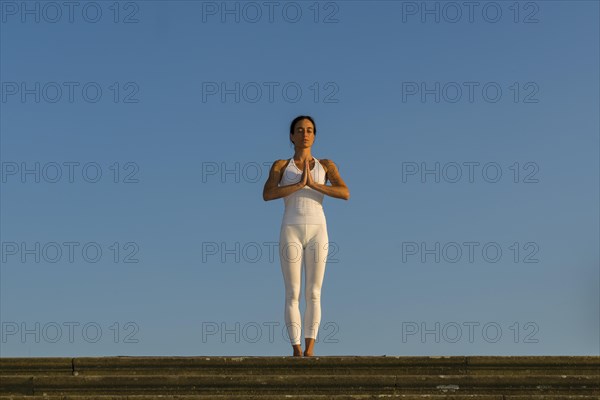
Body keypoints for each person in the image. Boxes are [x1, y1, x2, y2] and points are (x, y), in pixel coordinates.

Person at [263, 115, 350, 357]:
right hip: (291, 227)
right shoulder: (281, 165)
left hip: (318, 229)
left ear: (314, 135)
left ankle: (310, 349)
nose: (305, 134)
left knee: (314, 292)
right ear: (292, 136)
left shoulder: (326, 165)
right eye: (300, 130)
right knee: (293, 292)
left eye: (309, 130)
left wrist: (313, 184)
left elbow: (344, 192)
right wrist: (299, 185)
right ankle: (296, 349)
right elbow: (268, 193)